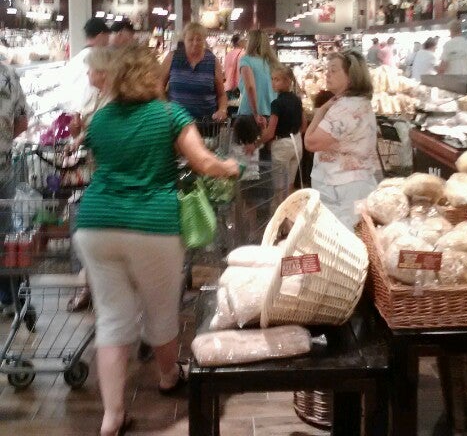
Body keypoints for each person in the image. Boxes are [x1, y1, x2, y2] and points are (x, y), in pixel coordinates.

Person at [74, 44, 239, 436]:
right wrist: (229, 167)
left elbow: (98, 164)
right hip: (152, 225)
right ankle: (168, 376)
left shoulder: (99, 120)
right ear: (152, 77)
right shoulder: (169, 114)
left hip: (96, 224)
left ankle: (112, 416)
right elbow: (202, 161)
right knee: (161, 311)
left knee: (112, 318)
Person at [66, 46, 117, 314]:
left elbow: (100, 130)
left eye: (91, 70)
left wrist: (79, 138)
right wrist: (77, 130)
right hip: (94, 174)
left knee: (89, 229)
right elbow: (86, 129)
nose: (87, 74)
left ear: (103, 72)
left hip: (107, 176)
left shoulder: (113, 101)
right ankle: (91, 287)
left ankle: (91, 288)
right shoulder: (96, 96)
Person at [304, 51, 377, 231]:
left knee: (342, 237)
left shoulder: (345, 108)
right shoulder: (357, 102)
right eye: (327, 70)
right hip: (353, 185)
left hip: (342, 188)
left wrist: (321, 111)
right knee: (355, 233)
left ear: (351, 77)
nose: (327, 74)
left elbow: (310, 142)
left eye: (334, 70)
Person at [0, 62, 29, 315]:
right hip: (4, 166)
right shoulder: (8, 72)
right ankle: (10, 298)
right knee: (5, 232)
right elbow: (22, 121)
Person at [162, 22, 227, 121]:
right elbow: (159, 87)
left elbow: (221, 94)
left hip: (206, 123)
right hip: (175, 122)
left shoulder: (213, 61)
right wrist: (165, 107)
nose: (195, 43)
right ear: (184, 40)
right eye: (190, 39)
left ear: (204, 40)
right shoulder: (172, 58)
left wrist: (222, 110)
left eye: (199, 39)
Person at [261, 66, 305, 191]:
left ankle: (280, 204)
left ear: (288, 81)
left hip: (281, 145)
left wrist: (256, 143)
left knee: (279, 187)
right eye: (272, 79)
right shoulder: (297, 100)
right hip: (297, 143)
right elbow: (304, 125)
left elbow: (270, 133)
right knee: (290, 184)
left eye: (277, 79)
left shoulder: (276, 103)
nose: (273, 83)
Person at [58, 17, 110, 113]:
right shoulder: (97, 60)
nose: (108, 42)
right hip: (89, 113)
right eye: (107, 37)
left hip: (74, 113)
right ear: (101, 35)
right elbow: (91, 92)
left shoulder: (75, 59)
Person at [237, 30, 278, 128]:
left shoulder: (246, 60)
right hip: (271, 111)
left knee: (249, 138)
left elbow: (250, 87)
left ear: (250, 43)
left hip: (250, 113)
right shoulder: (273, 62)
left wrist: (256, 113)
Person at [223, 34, 243, 99]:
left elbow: (226, 71)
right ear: (239, 42)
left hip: (227, 87)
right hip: (237, 88)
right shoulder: (242, 54)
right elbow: (240, 72)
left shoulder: (228, 55)